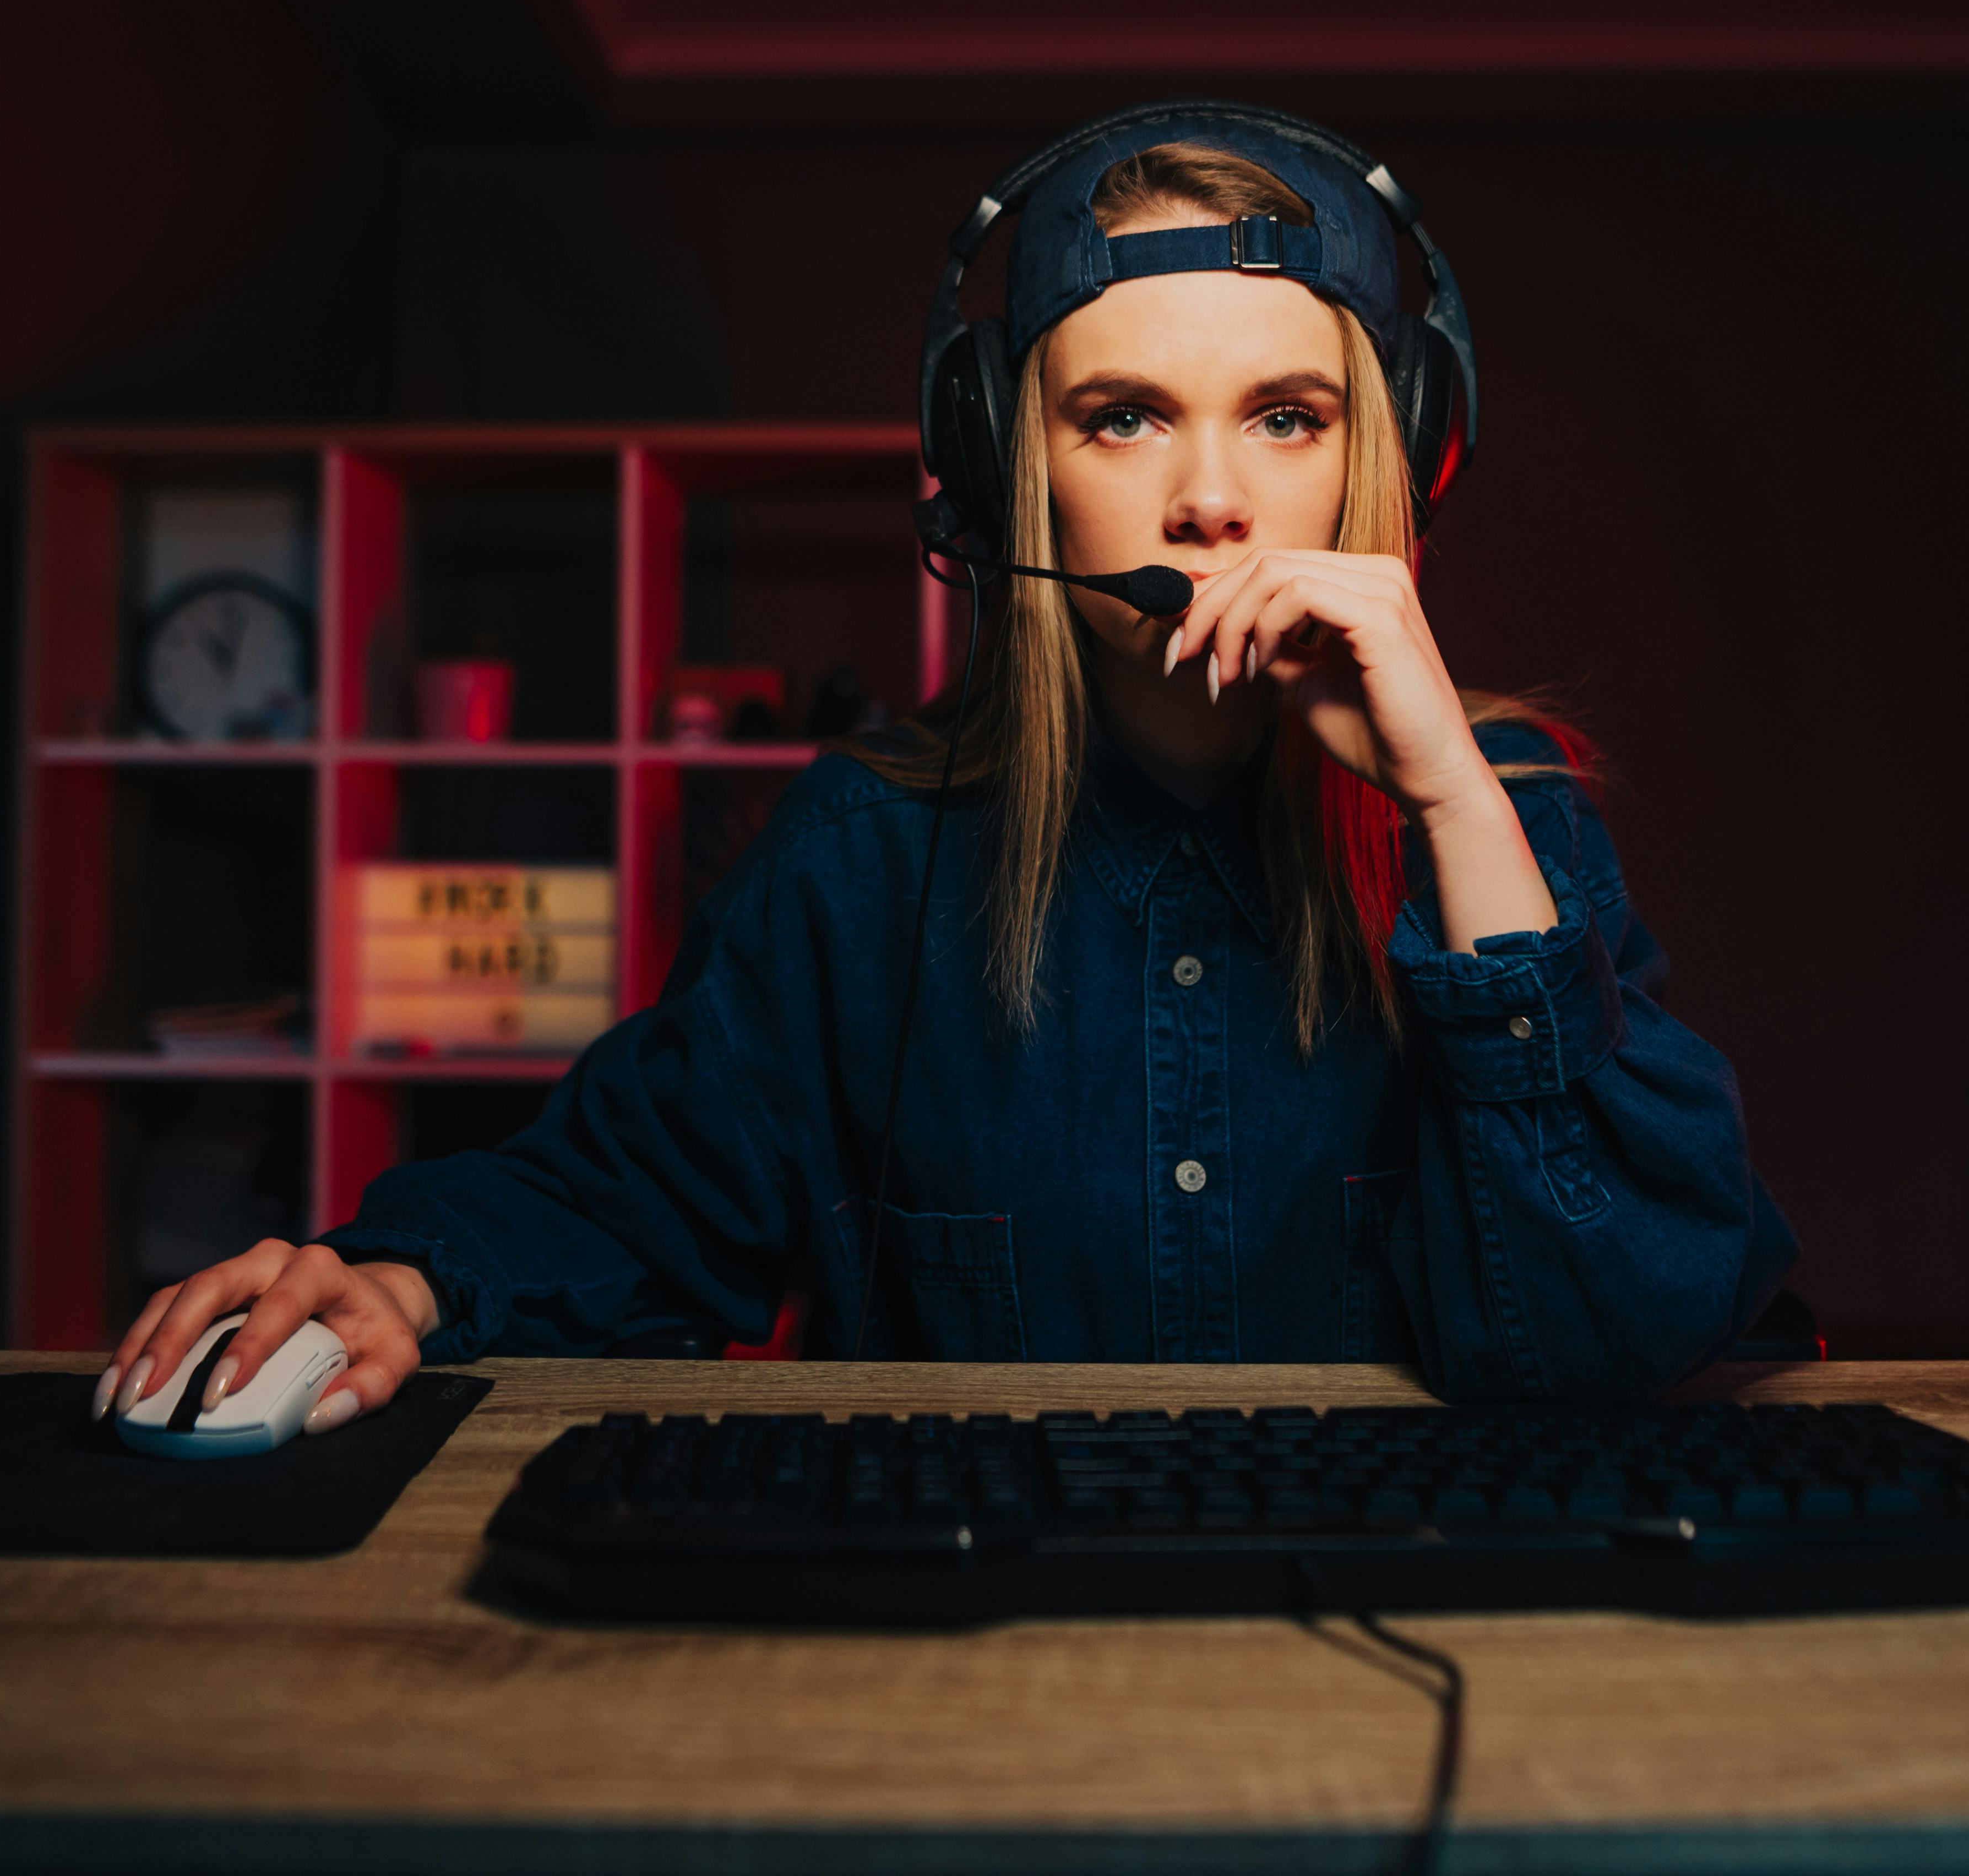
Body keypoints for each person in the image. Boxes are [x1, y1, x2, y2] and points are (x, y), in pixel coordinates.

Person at [98, 110, 1796, 1434]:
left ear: (1394, 457)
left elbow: (1620, 1341)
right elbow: (636, 1198)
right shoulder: (867, 856)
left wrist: (1450, 808)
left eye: (1288, 414)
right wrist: (400, 1281)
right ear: (1010, 474)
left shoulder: (1505, 822)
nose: (1214, 499)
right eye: (1122, 415)